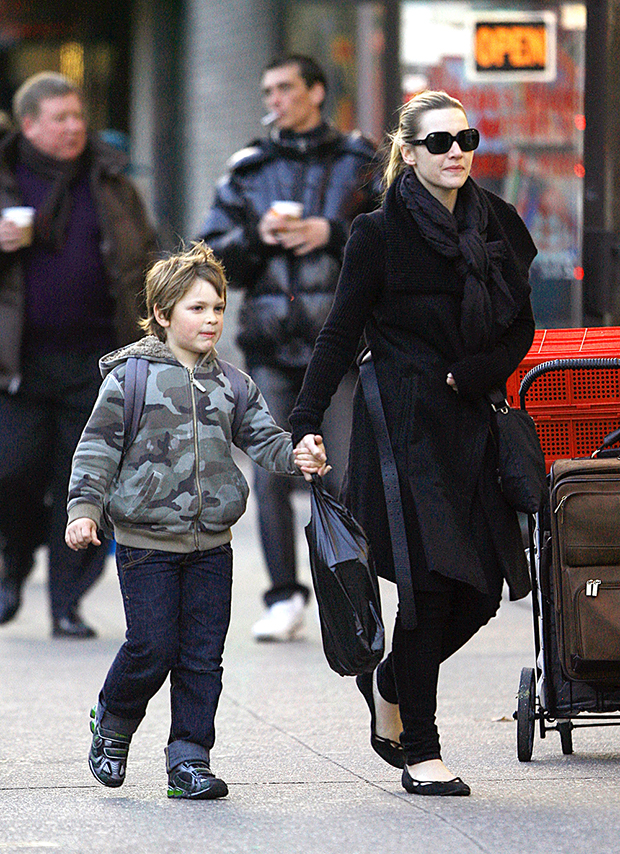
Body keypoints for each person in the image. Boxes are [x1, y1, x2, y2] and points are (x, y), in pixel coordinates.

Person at [291, 91, 537, 796]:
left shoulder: (499, 223)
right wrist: (306, 419)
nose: (455, 150)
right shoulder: (377, 234)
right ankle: (422, 751)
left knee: (482, 590)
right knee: (428, 590)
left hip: (474, 419)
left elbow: (519, 324)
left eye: (466, 137)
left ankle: (391, 681)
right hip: (402, 427)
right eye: (438, 141)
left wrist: (481, 370)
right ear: (408, 152)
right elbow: (340, 331)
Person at [65, 242, 328, 800]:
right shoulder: (130, 379)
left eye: (217, 308)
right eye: (196, 308)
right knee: (152, 646)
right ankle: (114, 720)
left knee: (202, 657)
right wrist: (84, 510)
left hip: (212, 545)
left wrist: (298, 455)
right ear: (162, 314)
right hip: (146, 543)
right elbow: (96, 451)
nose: (210, 319)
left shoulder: (231, 383)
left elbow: (264, 439)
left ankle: (189, 758)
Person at [198, 54, 380, 641]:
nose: (273, 98)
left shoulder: (362, 160)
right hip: (272, 345)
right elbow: (210, 254)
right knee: (273, 474)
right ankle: (283, 595)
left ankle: (349, 592)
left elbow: (398, 237)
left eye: (284, 88)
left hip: (341, 346)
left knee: (343, 474)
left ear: (317, 91)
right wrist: (258, 237)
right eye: (267, 89)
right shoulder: (248, 168)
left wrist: (334, 232)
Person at [0, 71, 157, 637]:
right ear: (29, 125)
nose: (73, 128)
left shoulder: (111, 179)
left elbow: (147, 253)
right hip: (17, 362)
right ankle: (12, 564)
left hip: (98, 359)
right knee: (12, 471)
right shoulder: (5, 178)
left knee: (84, 483)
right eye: (60, 118)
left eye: (78, 117)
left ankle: (66, 602)